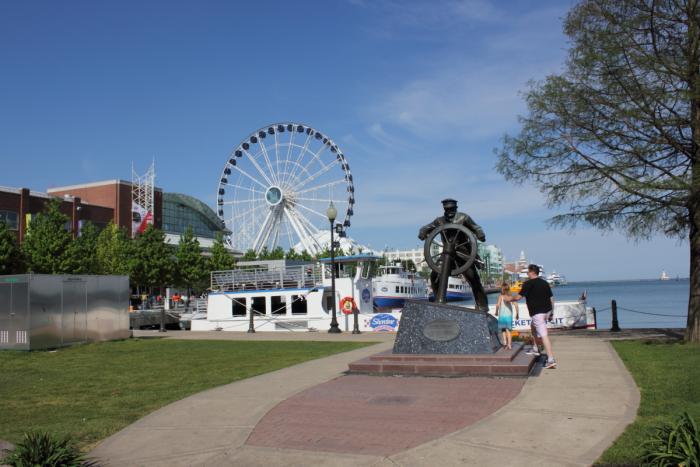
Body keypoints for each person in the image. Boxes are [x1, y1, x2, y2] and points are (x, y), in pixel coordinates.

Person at [418, 198, 489, 310]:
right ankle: (439, 301)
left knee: (473, 279)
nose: (449, 212)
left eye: (451, 209)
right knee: (434, 276)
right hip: (447, 255)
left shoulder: (464, 218)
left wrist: (480, 234)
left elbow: (476, 228)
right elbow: (426, 228)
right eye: (447, 209)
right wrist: (422, 232)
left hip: (464, 255)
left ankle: (482, 305)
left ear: (456, 208)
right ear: (444, 209)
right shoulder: (439, 221)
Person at [508, 264, 557, 369]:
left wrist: (508, 299)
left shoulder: (528, 284)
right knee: (532, 326)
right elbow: (552, 299)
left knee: (544, 336)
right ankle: (535, 348)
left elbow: (517, 297)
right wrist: (552, 313)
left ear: (531, 272)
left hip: (538, 314)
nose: (527, 273)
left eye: (528, 271)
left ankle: (551, 360)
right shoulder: (545, 283)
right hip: (547, 311)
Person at [495, 283, 519, 350]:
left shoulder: (501, 296)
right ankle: (509, 345)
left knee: (503, 330)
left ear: (502, 289)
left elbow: (497, 305)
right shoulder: (511, 297)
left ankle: (505, 343)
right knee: (509, 331)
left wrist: (496, 311)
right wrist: (517, 314)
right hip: (509, 316)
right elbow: (516, 305)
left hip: (502, 315)